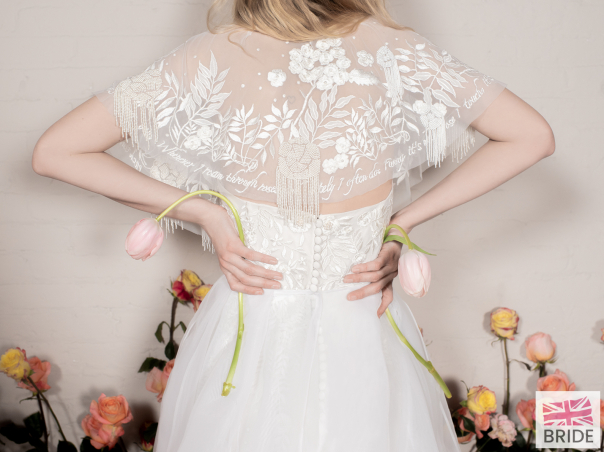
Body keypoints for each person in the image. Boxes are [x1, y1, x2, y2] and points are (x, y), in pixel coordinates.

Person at [31, 0, 555, 449]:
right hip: (361, 325)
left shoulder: (213, 53)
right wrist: (401, 223)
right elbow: (532, 135)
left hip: (251, 322)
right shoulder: (394, 48)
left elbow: (55, 151)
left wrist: (205, 212)